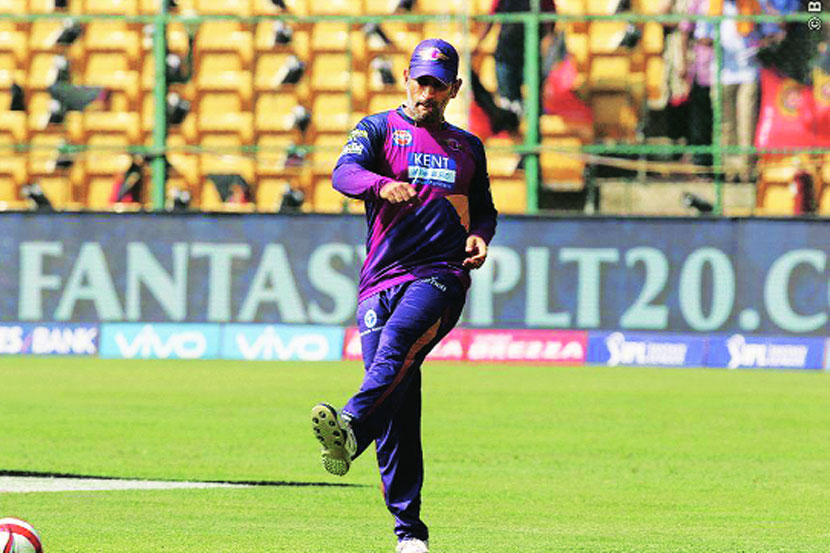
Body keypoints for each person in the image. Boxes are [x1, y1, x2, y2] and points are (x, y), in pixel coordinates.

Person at [310, 38, 498, 553]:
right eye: (421, 82)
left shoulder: (467, 147)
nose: (427, 93)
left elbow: (483, 207)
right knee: (395, 401)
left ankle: (351, 424)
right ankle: (409, 532)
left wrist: (481, 235)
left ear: (454, 89)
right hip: (379, 280)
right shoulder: (378, 129)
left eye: (439, 85)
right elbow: (343, 173)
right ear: (406, 80)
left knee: (397, 345)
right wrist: (379, 184)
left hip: (441, 274)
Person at [471, 0, 556, 116]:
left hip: (529, 48)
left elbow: (550, 17)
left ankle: (532, 113)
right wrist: (479, 43)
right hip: (507, 48)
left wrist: (549, 40)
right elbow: (491, 17)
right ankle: (512, 114)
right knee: (508, 91)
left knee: (532, 84)